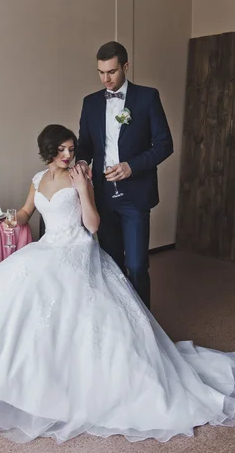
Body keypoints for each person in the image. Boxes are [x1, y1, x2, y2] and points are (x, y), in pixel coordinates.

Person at [0, 125, 235, 444]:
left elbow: (92, 225)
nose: (68, 154)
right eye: (61, 149)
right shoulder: (38, 179)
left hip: (78, 247)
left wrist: (82, 188)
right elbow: (27, 211)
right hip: (49, 246)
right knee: (11, 280)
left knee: (54, 286)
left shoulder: (79, 178)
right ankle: (12, 379)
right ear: (48, 151)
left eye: (71, 149)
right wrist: (12, 219)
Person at [77, 41, 173, 308]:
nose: (106, 78)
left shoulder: (148, 97)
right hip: (103, 195)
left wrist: (132, 166)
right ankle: (120, 326)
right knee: (112, 264)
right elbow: (84, 142)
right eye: (100, 72)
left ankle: (145, 328)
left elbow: (165, 144)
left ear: (126, 66)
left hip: (136, 195)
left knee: (137, 265)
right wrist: (83, 162)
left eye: (112, 71)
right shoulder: (91, 103)